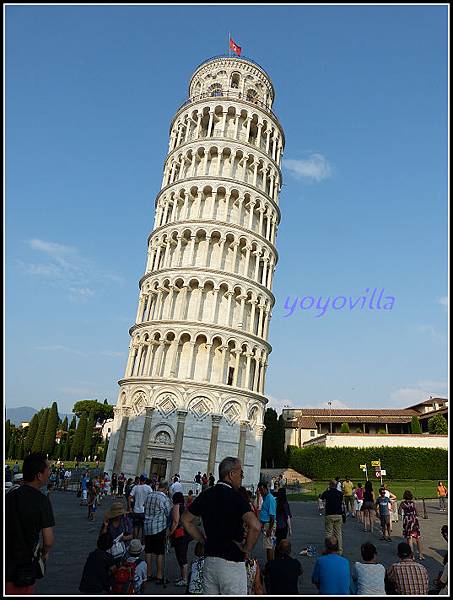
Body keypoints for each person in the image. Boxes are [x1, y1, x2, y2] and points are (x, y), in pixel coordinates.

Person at [181, 456, 261, 595]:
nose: (242, 477)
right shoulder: (236, 496)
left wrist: (203, 540)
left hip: (210, 562)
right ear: (231, 474)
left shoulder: (206, 494)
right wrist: (246, 550)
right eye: (241, 474)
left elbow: (185, 520)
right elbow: (255, 525)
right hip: (232, 564)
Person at [5, 452, 55, 594]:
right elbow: (49, 540)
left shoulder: (10, 495)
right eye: (48, 469)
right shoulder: (42, 501)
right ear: (39, 475)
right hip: (23, 569)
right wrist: (44, 553)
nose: (50, 472)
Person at [143, 479, 172, 584]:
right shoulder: (164, 498)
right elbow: (168, 513)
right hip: (159, 528)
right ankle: (159, 575)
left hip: (147, 527)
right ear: (165, 488)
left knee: (148, 551)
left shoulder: (149, 495)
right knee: (159, 552)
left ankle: (148, 573)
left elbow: (144, 507)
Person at [170, 491, 190, 586]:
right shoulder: (184, 506)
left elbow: (175, 521)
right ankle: (183, 577)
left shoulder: (176, 506)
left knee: (181, 556)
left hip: (179, 534)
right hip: (185, 533)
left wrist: (170, 532)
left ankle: (184, 579)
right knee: (182, 555)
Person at [320, 480, 344, 555]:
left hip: (329, 514)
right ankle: (339, 550)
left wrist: (322, 507)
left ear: (330, 485)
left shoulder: (327, 493)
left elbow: (321, 499)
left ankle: (328, 549)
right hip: (338, 514)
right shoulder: (340, 493)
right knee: (338, 533)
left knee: (328, 533)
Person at [399, 489, 424, 559]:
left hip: (407, 520)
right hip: (414, 520)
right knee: (418, 537)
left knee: (409, 538)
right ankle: (421, 554)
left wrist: (405, 514)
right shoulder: (413, 503)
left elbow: (399, 512)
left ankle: (412, 555)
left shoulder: (402, 503)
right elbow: (417, 512)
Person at [128, 475, 152, 541]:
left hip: (136, 510)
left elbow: (129, 497)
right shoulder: (148, 488)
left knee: (136, 526)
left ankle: (135, 540)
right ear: (145, 480)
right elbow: (151, 497)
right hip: (144, 511)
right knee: (144, 527)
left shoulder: (135, 487)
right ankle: (143, 542)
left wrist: (130, 507)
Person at [258, 481, 277, 562]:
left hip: (269, 524)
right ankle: (270, 564)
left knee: (269, 546)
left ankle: (270, 565)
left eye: (262, 490)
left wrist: (270, 529)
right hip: (266, 524)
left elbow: (272, 516)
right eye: (259, 490)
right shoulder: (266, 498)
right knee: (268, 546)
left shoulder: (270, 499)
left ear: (266, 489)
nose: (261, 492)